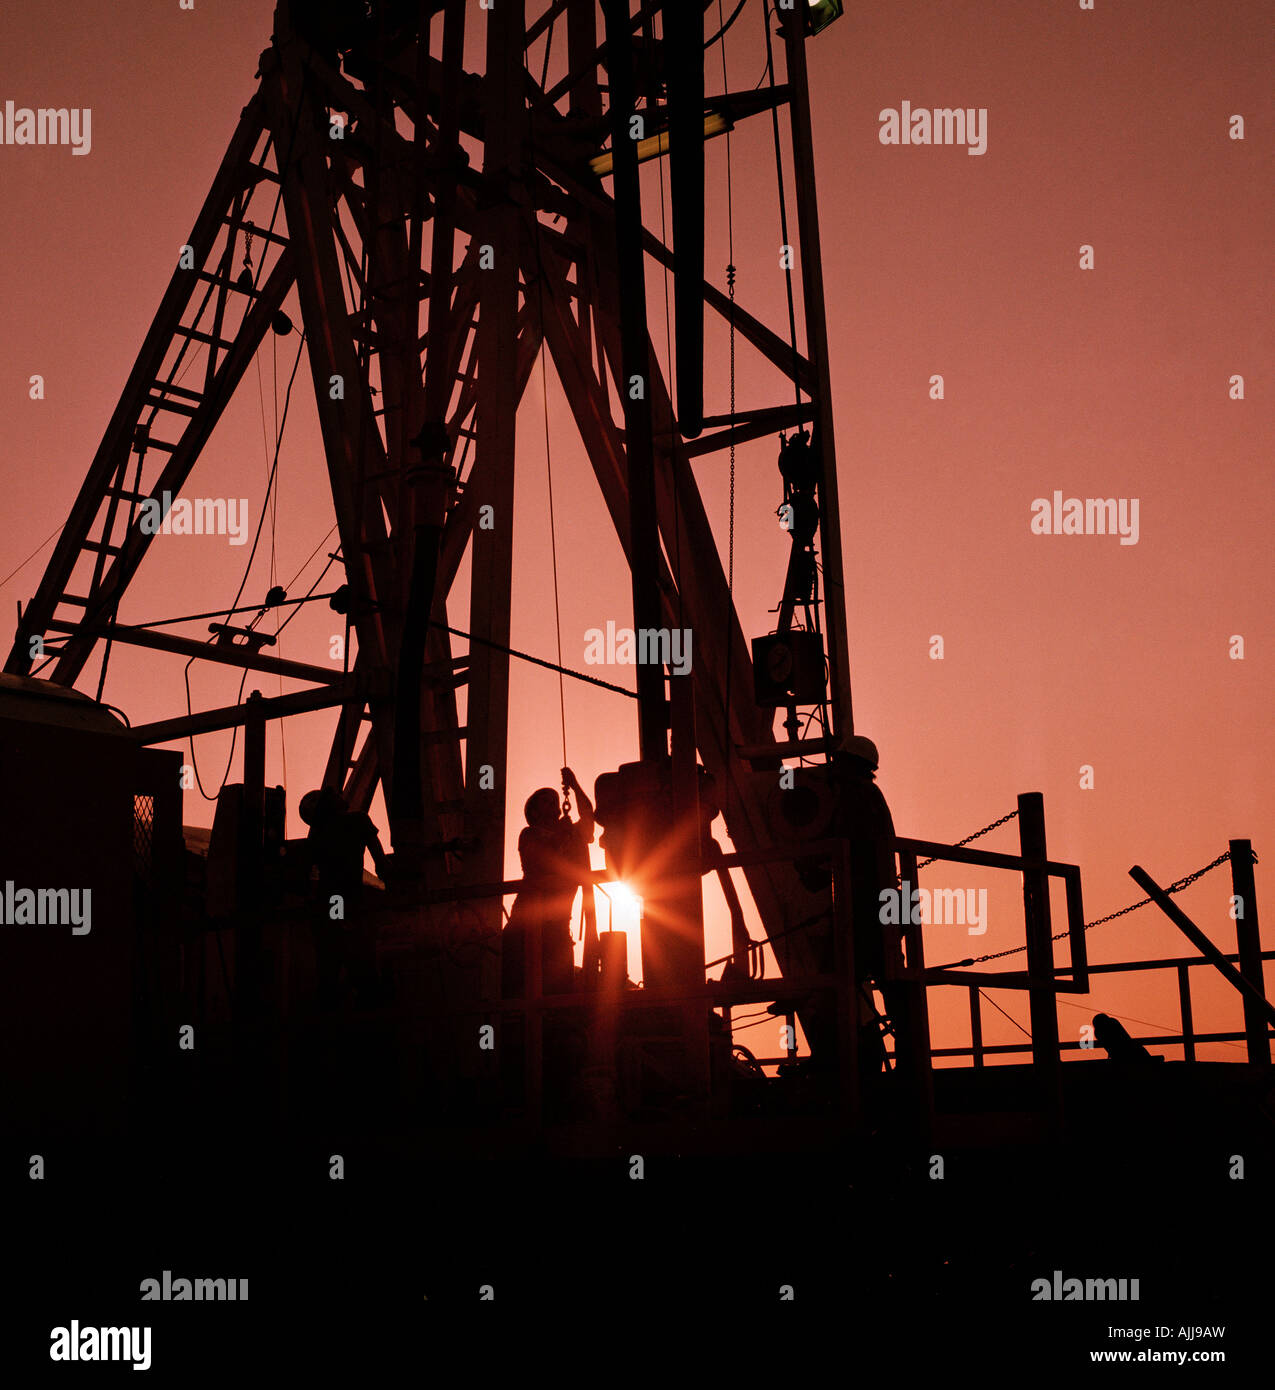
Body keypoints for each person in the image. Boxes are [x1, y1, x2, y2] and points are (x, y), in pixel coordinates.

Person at [502, 768, 595, 999]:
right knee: (520, 992)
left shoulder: (571, 835)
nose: (552, 803)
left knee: (558, 995)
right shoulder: (529, 834)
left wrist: (574, 785)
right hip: (525, 928)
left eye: (553, 799)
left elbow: (588, 818)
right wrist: (561, 836)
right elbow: (541, 862)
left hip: (558, 928)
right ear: (533, 812)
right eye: (545, 801)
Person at [299, 787, 390, 1008]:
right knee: (363, 969)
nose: (342, 796)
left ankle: (330, 1023)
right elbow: (381, 863)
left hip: (327, 907)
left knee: (328, 971)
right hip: (350, 904)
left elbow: (304, 877)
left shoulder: (316, 838)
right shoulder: (358, 822)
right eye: (335, 796)